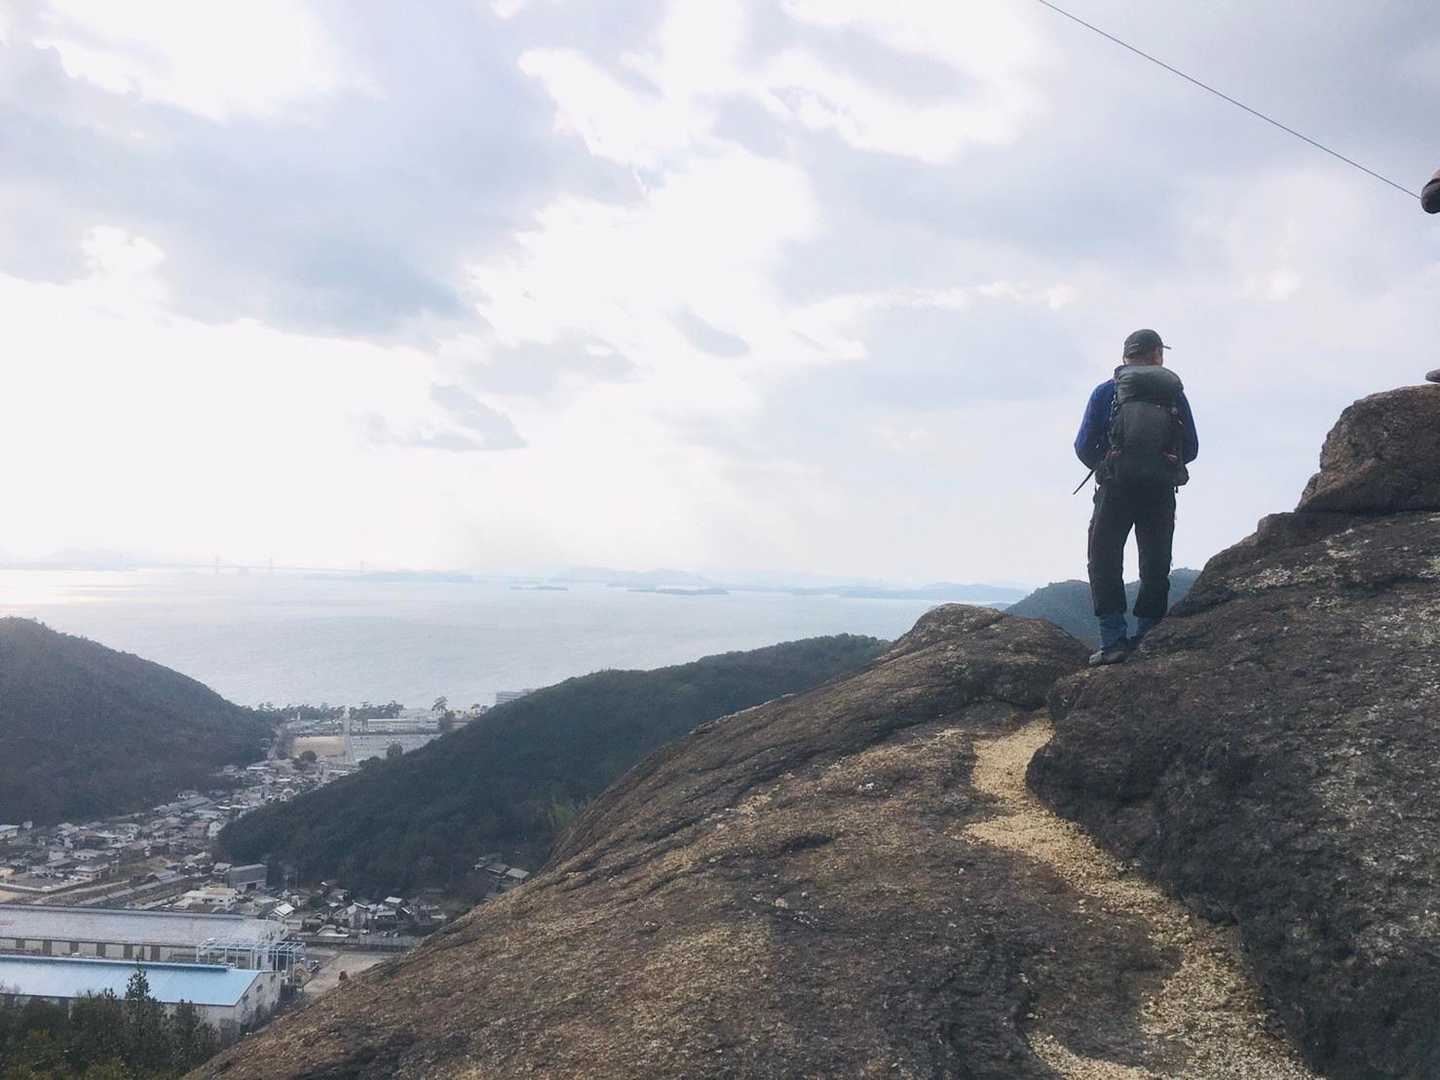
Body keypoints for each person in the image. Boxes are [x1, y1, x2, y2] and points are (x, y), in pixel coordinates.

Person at [1074, 329, 1199, 666]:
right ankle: (1148, 636)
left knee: (1104, 559)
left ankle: (1113, 641)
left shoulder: (1106, 392)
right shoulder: (1174, 395)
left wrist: (1108, 465)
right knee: (1155, 562)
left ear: (1126, 356)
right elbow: (1191, 447)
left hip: (1115, 489)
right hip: (1159, 491)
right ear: (1157, 355)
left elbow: (1083, 445)